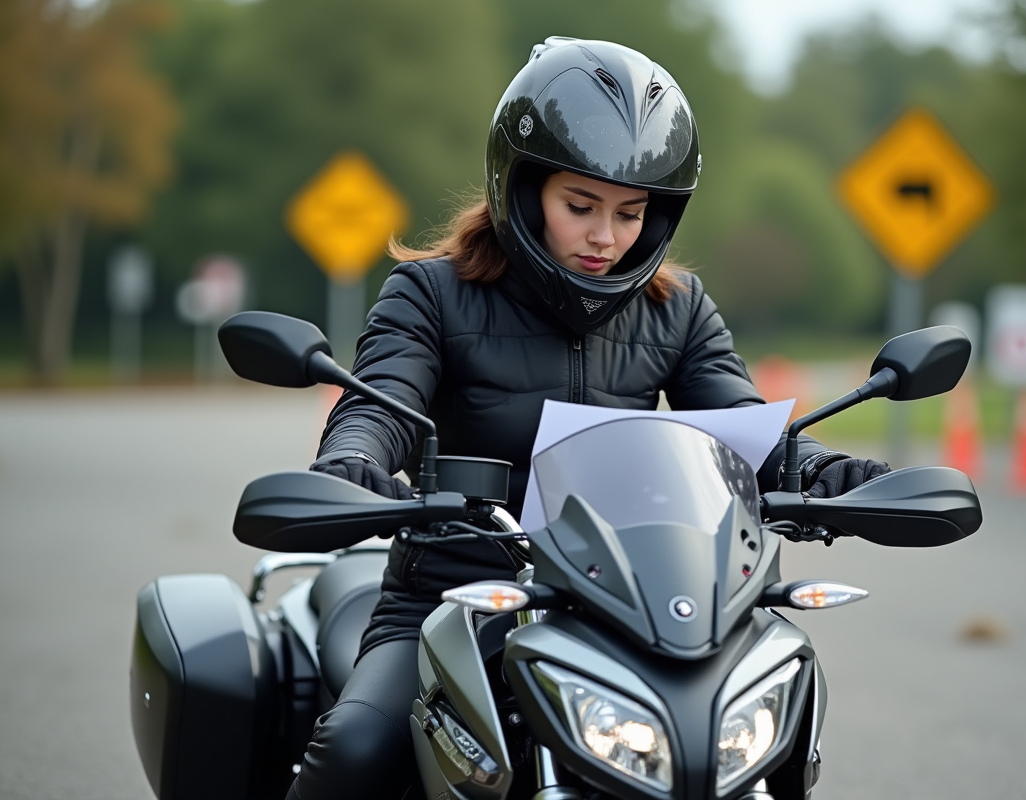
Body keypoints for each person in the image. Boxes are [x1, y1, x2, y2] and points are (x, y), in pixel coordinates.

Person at [288, 36, 887, 800]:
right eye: (580, 207)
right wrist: (352, 462)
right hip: (455, 598)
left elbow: (744, 429)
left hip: (621, 607)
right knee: (359, 745)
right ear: (521, 188)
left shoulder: (677, 310)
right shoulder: (430, 295)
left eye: (632, 213)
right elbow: (381, 406)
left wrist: (827, 472)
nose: (607, 237)